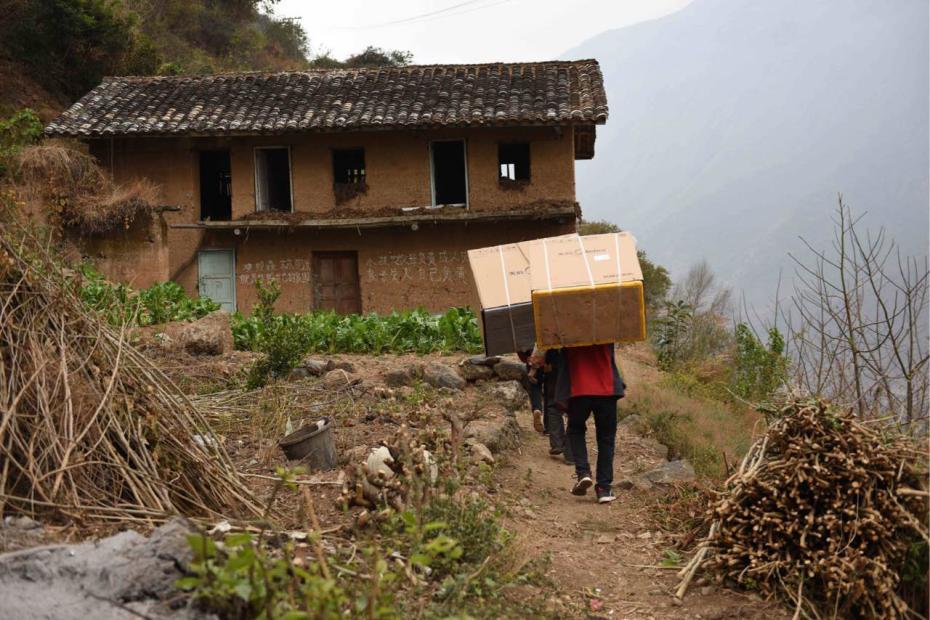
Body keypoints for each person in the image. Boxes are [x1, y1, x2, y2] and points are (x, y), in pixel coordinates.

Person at [552, 343, 625, 504]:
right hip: (606, 389)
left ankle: (583, 473)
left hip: (579, 390)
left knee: (575, 430)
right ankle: (604, 488)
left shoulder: (567, 329)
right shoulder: (606, 325)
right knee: (606, 438)